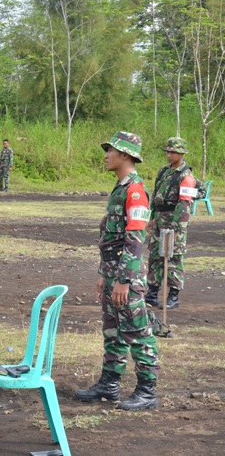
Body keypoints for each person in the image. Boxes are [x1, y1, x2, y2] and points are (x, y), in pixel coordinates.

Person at [75, 131, 160, 411]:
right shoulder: (120, 188)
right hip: (113, 274)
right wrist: (104, 274)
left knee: (137, 332)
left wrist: (124, 279)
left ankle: (147, 390)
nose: (106, 155)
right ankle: (109, 384)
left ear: (125, 155)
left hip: (127, 277)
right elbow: (111, 240)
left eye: (110, 150)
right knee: (113, 331)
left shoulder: (135, 190)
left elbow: (135, 239)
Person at [145, 137, 197, 310]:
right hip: (159, 219)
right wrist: (151, 218)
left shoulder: (186, 176)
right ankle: (152, 294)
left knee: (174, 258)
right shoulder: (164, 171)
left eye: (173, 152)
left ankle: (173, 296)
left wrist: (176, 228)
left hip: (174, 222)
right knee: (154, 257)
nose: (169, 154)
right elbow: (156, 195)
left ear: (181, 153)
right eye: (167, 151)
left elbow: (184, 206)